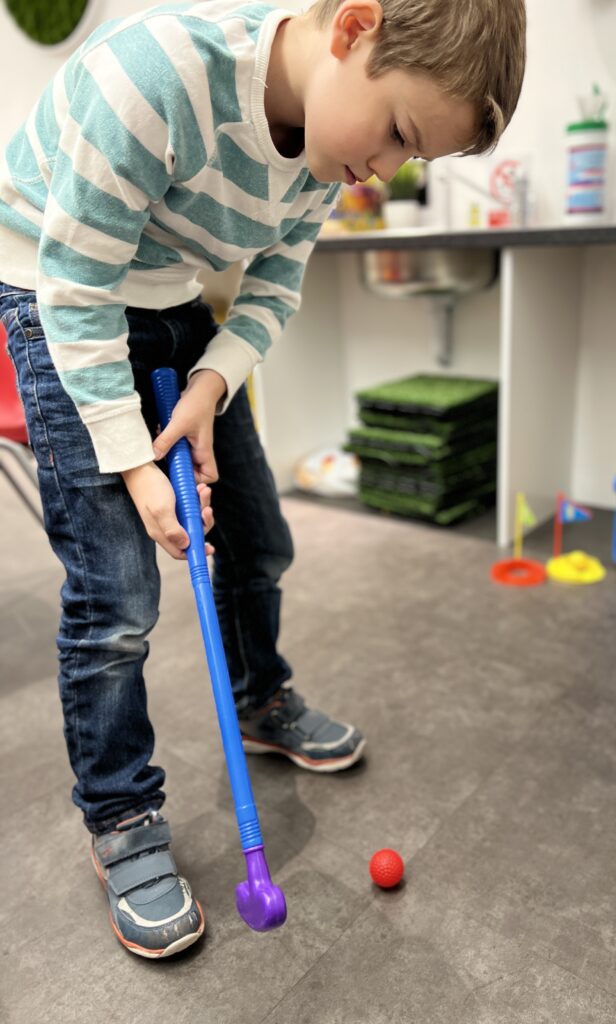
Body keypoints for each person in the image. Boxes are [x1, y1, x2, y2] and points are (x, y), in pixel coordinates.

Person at [0, 0, 526, 958]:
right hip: (57, 293)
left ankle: (259, 698)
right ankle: (119, 814)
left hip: (171, 300)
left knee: (259, 536)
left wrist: (208, 386)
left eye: (415, 159)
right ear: (353, 28)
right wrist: (133, 463)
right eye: (401, 133)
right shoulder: (158, 74)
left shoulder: (332, 150)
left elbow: (273, 286)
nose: (384, 171)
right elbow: (76, 288)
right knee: (118, 593)